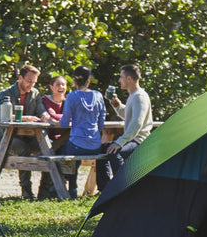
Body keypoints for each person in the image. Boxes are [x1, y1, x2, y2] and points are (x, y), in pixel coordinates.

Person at [0, 64, 46, 199]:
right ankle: (26, 190)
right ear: (20, 78)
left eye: (34, 82)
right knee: (23, 148)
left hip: (30, 136)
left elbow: (41, 110)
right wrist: (23, 118)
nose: (31, 85)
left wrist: (45, 115)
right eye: (29, 81)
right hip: (8, 138)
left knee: (49, 147)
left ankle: (46, 190)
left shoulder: (35, 93)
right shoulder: (5, 93)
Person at [97, 64, 153, 192]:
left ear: (129, 79)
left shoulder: (139, 96)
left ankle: (124, 188)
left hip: (140, 141)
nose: (119, 80)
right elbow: (128, 115)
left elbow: (137, 123)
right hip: (131, 139)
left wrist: (120, 142)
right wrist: (116, 104)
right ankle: (105, 189)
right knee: (103, 149)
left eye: (121, 77)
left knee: (114, 152)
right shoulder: (133, 95)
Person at [54, 66, 106, 199]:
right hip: (95, 145)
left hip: (77, 144)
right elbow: (101, 124)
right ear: (89, 80)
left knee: (60, 149)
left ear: (74, 81)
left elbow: (64, 123)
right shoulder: (98, 95)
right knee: (72, 149)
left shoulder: (72, 96)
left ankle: (70, 186)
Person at [37, 74, 70, 199]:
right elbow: (50, 114)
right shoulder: (45, 100)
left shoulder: (67, 101)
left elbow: (72, 117)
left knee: (67, 149)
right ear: (51, 87)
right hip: (46, 137)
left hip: (62, 137)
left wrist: (59, 118)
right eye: (58, 84)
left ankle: (64, 187)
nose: (61, 87)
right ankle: (45, 190)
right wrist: (63, 117)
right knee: (51, 151)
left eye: (63, 85)